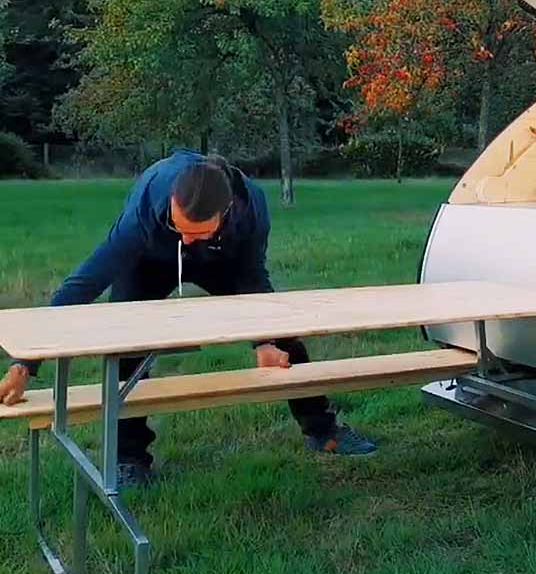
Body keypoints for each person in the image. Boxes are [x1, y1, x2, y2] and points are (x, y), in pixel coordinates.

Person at [0, 149, 377, 488]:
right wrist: (25, 362)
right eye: (178, 227)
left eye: (197, 232)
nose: (186, 239)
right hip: (149, 261)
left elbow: (253, 280)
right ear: (172, 205)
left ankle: (322, 429)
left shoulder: (251, 209)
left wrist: (264, 341)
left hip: (222, 260)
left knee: (284, 335)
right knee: (126, 348)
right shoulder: (147, 210)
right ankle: (130, 459)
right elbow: (85, 282)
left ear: (225, 213)